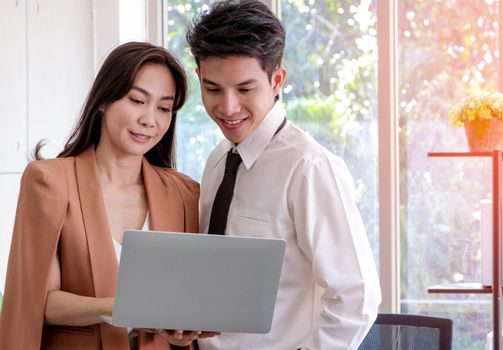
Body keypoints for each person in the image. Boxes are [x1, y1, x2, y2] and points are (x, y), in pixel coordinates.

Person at [186, 1, 381, 349]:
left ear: (276, 80)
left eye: (245, 90)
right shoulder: (218, 160)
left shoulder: (308, 168)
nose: (228, 108)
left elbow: (357, 296)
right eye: (213, 89)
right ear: (199, 77)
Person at [0, 42, 214, 349]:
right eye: (138, 100)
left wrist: (183, 329)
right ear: (103, 100)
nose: (149, 119)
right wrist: (120, 308)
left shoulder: (183, 193)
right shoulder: (48, 182)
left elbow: (184, 298)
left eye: (164, 108)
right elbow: (38, 301)